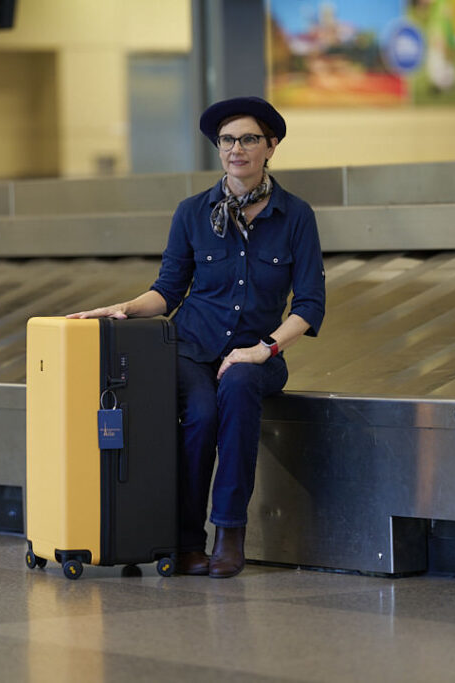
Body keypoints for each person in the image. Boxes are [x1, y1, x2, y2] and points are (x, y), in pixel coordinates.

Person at [68, 96, 325, 578]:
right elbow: (167, 290)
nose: (236, 149)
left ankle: (230, 533)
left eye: (249, 139)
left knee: (241, 386)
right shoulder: (192, 212)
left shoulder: (296, 216)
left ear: (270, 147)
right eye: (227, 140)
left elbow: (309, 304)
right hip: (189, 349)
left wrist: (261, 350)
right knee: (202, 413)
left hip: (257, 352)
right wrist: (124, 308)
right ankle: (186, 541)